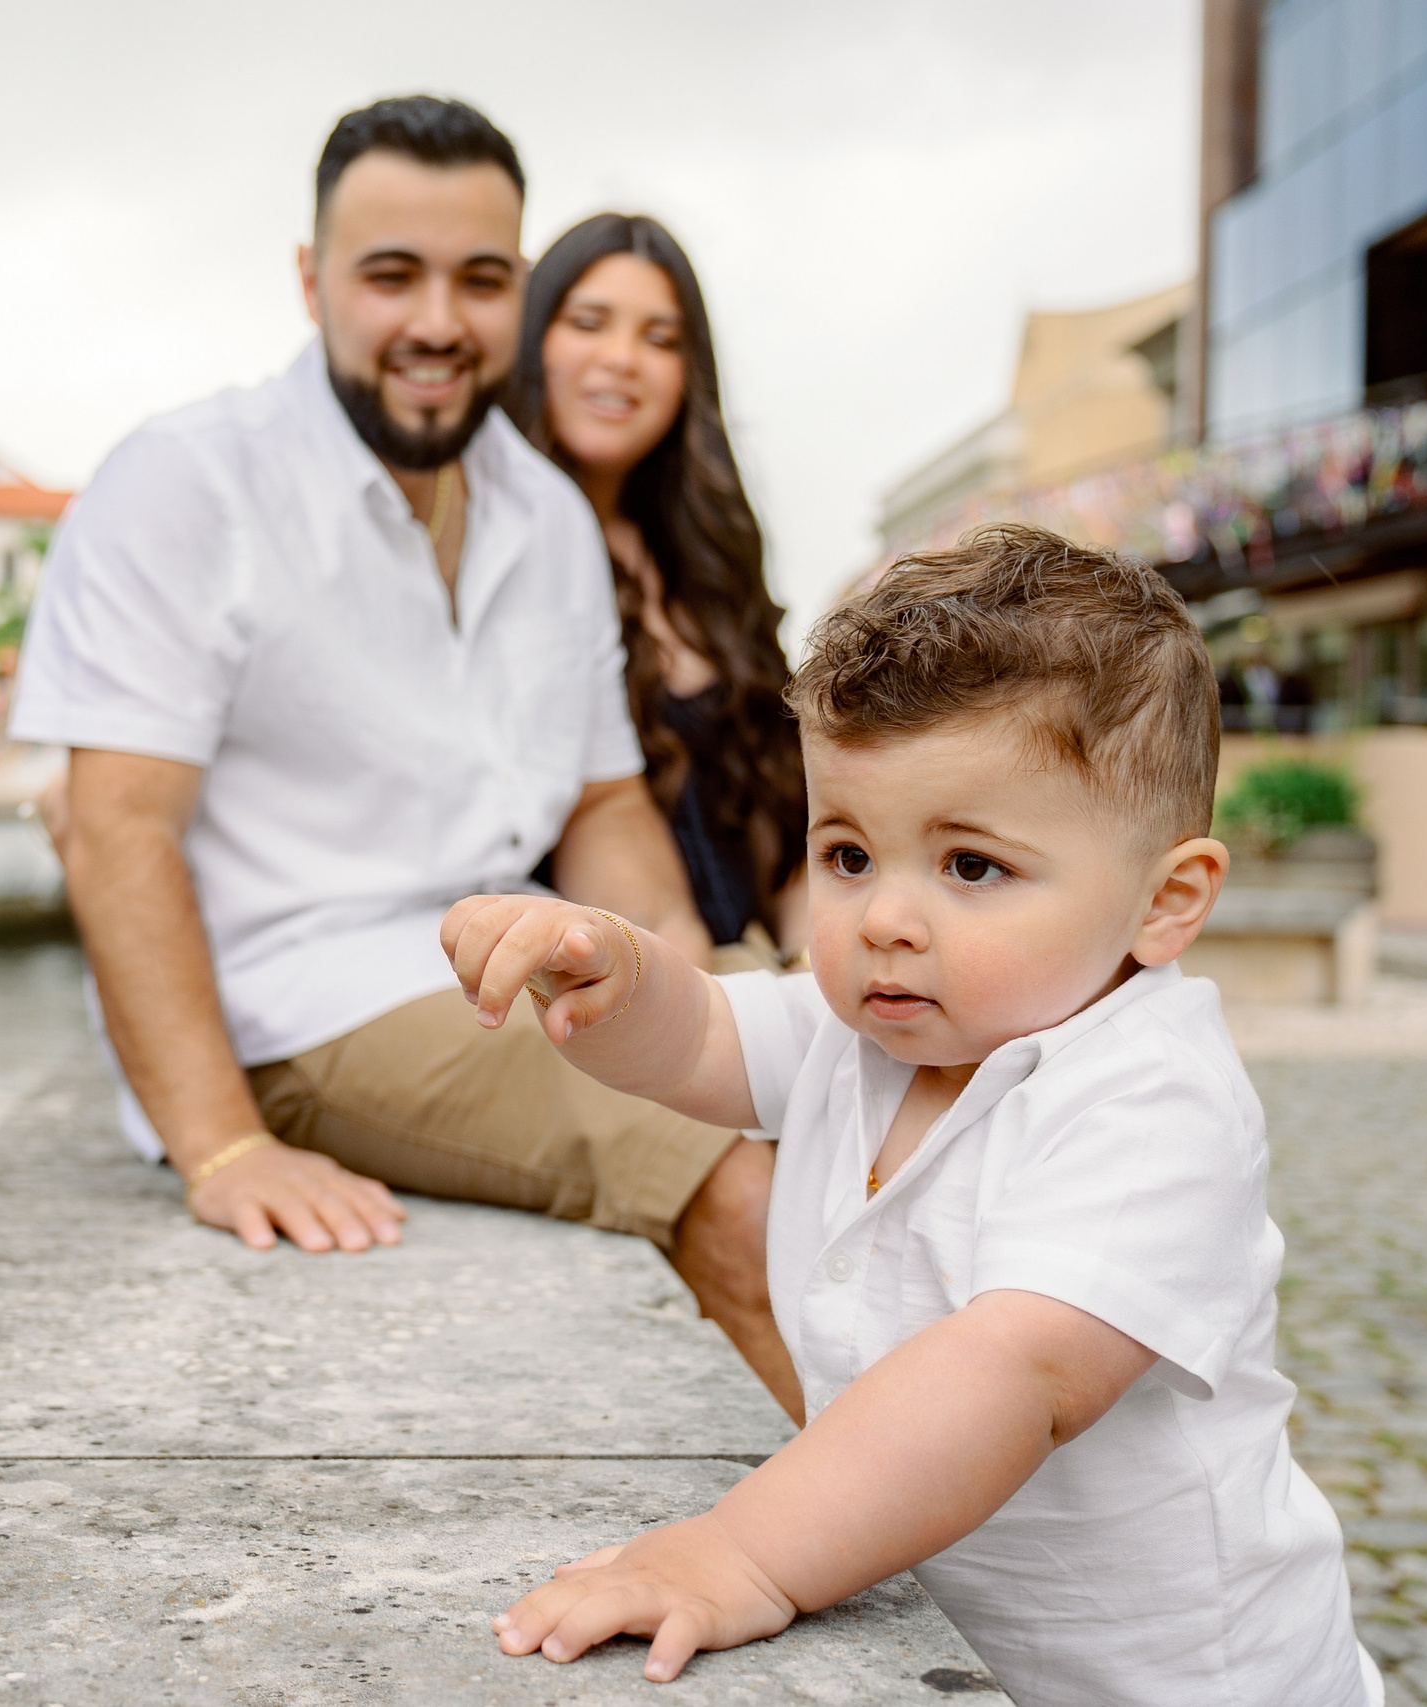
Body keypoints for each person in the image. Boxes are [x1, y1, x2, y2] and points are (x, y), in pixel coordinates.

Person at [443, 524, 1375, 1704]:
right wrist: (611, 968)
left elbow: (1014, 1372)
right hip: (968, 1646)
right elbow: (704, 1037)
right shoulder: (870, 1033)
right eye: (846, 853)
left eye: (969, 867)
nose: (884, 918)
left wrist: (741, 1550)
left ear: (1164, 901)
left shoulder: (1149, 1101)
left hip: (1183, 1680)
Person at [10, 95, 796, 1415]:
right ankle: (941, 1579)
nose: (440, 320)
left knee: (879, 1089)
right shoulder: (186, 483)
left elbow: (605, 798)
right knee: (751, 1180)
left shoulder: (545, 515)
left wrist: (701, 983)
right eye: (392, 274)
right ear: (312, 282)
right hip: (306, 1004)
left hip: (515, 954)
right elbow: (116, 829)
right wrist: (221, 1146)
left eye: (481, 279)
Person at [507, 214, 807, 960]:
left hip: (755, 972)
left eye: (660, 338)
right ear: (532, 339)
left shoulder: (709, 556)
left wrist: (815, 970)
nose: (622, 359)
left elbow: (780, 809)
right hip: (604, 980)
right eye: (589, 322)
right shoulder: (493, 551)